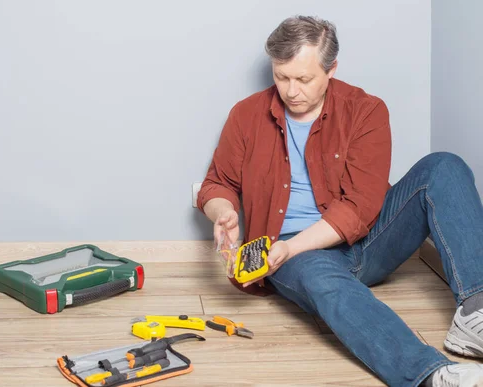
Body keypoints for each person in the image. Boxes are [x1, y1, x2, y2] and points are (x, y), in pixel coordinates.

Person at [196, 15, 483, 387]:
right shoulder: (246, 115)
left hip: (366, 240)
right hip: (295, 254)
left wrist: (289, 247)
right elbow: (217, 183)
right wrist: (224, 213)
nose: (290, 90)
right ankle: (429, 374)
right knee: (322, 278)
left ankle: (474, 312)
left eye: (303, 79)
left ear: (331, 69)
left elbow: (360, 207)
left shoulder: (365, 110)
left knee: (444, 166)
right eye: (281, 77)